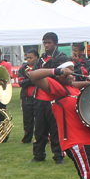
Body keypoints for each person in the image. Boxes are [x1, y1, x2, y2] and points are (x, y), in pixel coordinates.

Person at [30, 32, 65, 164]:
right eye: (44, 42)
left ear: (55, 43)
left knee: (55, 128)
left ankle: (58, 156)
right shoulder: (40, 59)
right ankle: (38, 155)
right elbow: (33, 75)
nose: (46, 45)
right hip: (40, 97)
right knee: (39, 128)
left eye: (49, 42)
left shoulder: (61, 57)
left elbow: (61, 76)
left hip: (55, 96)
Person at [18, 49, 38, 144]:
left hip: (38, 96)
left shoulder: (40, 67)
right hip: (26, 97)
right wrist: (32, 79)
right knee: (27, 119)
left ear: (36, 58)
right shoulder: (23, 69)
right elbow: (21, 82)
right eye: (27, 58)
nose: (29, 60)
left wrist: (29, 79)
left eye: (31, 57)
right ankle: (27, 138)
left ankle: (40, 137)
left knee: (39, 118)